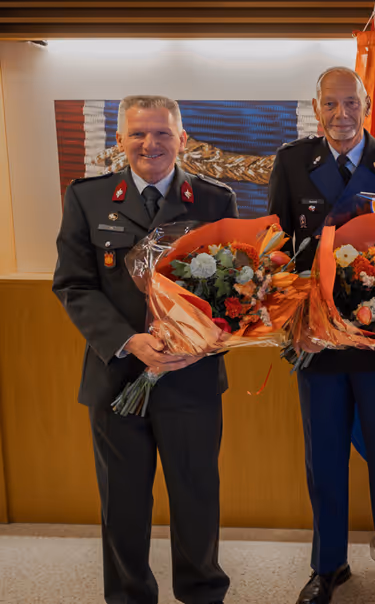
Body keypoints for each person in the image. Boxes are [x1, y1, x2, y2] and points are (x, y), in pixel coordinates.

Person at [53, 95, 237, 604]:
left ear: (182, 139)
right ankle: (130, 597)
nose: (149, 144)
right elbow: (73, 284)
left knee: (197, 496)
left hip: (191, 376)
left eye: (161, 133)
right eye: (137, 134)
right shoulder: (87, 198)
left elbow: (234, 289)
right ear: (119, 140)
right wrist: (130, 341)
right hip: (116, 378)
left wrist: (199, 341)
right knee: (124, 503)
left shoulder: (215, 200)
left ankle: (202, 594)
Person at [267, 66, 375, 604]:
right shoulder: (292, 162)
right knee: (325, 460)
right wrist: (295, 323)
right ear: (317, 108)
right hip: (315, 342)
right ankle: (327, 564)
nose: (342, 115)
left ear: (365, 106)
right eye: (331, 105)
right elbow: (276, 248)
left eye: (352, 104)